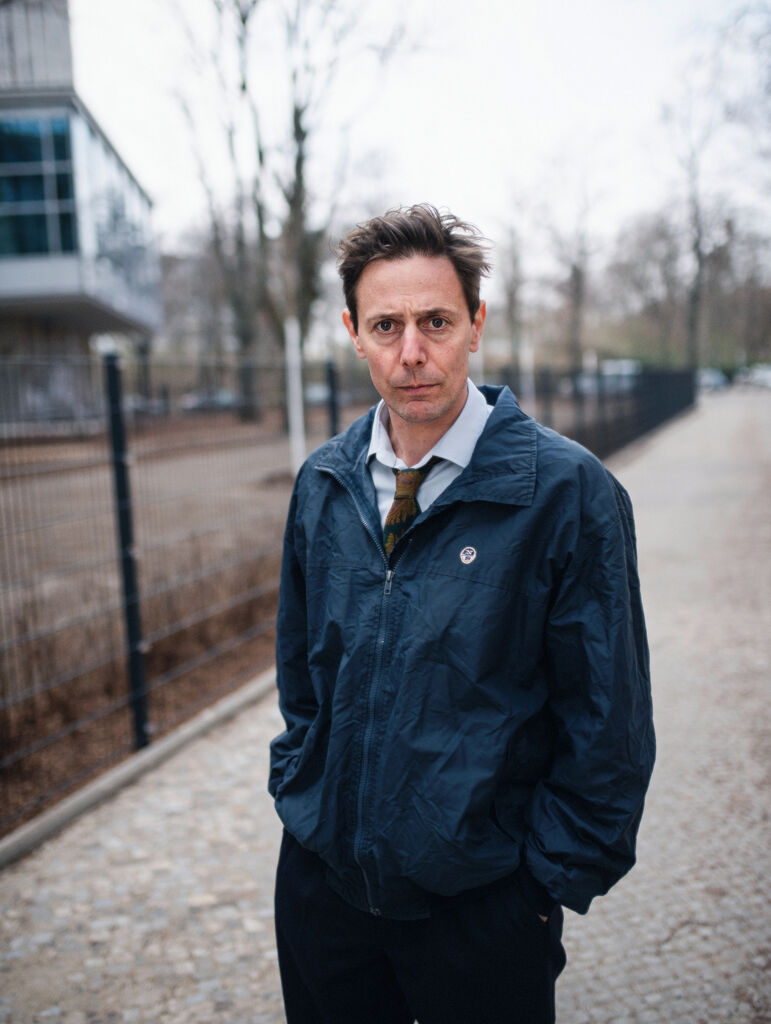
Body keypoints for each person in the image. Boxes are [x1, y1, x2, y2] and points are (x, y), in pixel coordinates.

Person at [269, 203, 655, 1024]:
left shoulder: (566, 492)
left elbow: (607, 720)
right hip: (323, 895)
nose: (411, 352)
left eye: (435, 322)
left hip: (483, 908)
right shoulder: (324, 482)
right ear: (353, 333)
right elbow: (301, 676)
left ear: (475, 325)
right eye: (386, 326)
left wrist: (540, 887)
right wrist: (301, 792)